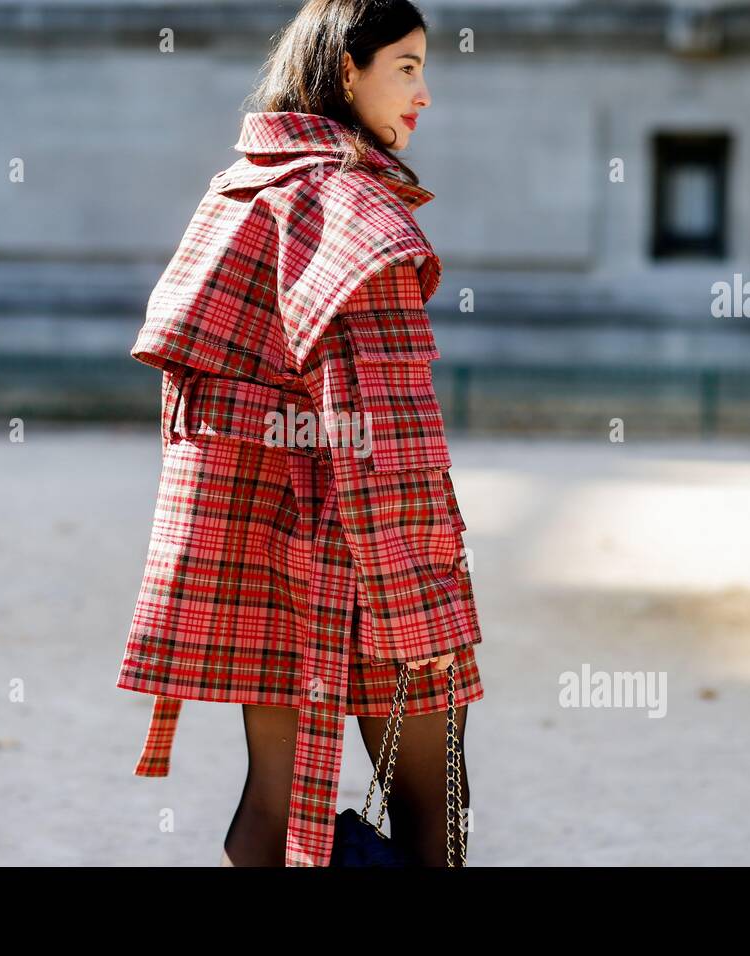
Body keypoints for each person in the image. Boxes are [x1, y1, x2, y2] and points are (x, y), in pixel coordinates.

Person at [115, 0, 484, 867]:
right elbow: (389, 435)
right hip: (370, 563)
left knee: (274, 805)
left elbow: (201, 409)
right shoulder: (357, 212)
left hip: (263, 563)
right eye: (405, 66)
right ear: (345, 71)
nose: (425, 92)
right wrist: (420, 609)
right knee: (435, 807)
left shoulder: (242, 190)